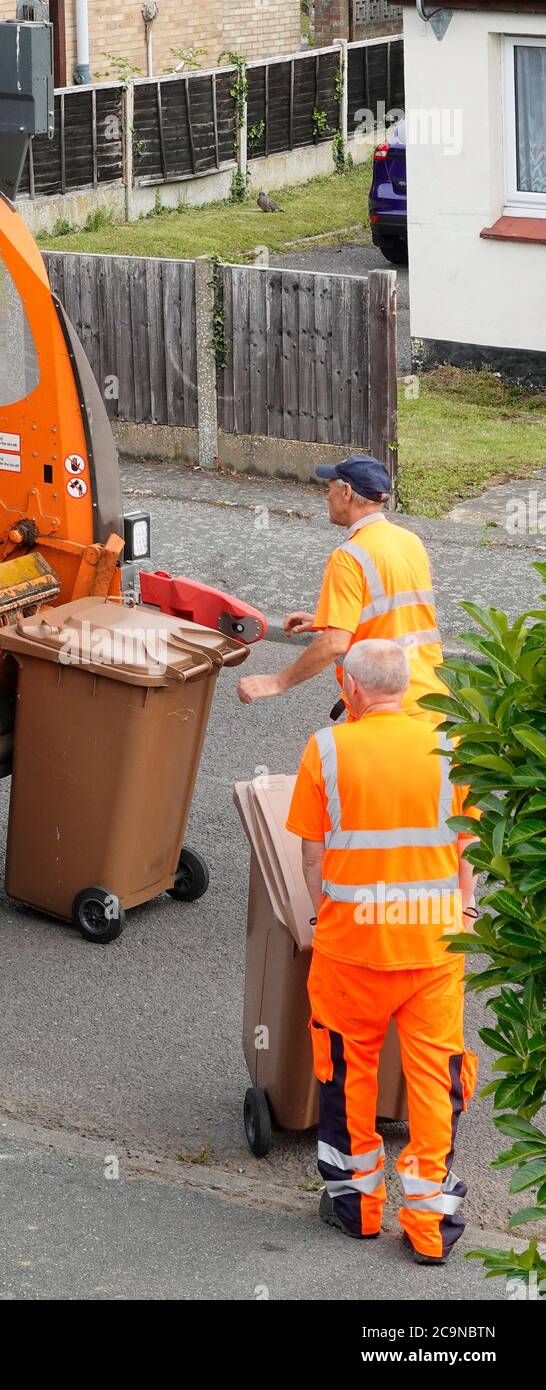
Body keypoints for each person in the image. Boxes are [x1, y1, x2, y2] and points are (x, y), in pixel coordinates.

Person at [285, 639, 479, 1265]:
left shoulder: (328, 749)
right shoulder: (450, 748)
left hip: (353, 951)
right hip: (433, 949)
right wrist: (466, 913)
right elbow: (465, 851)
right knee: (433, 1083)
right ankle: (429, 1227)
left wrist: (327, 914)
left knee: (346, 1074)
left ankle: (356, 1208)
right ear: (406, 686)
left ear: (354, 688)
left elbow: (312, 857)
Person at [238, 454, 446, 723]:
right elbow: (401, 612)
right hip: (430, 699)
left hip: (384, 706)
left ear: (346, 492)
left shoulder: (349, 555)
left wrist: (277, 682)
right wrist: (331, 620)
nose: (327, 497)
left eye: (330, 488)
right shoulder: (410, 541)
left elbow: (336, 643)